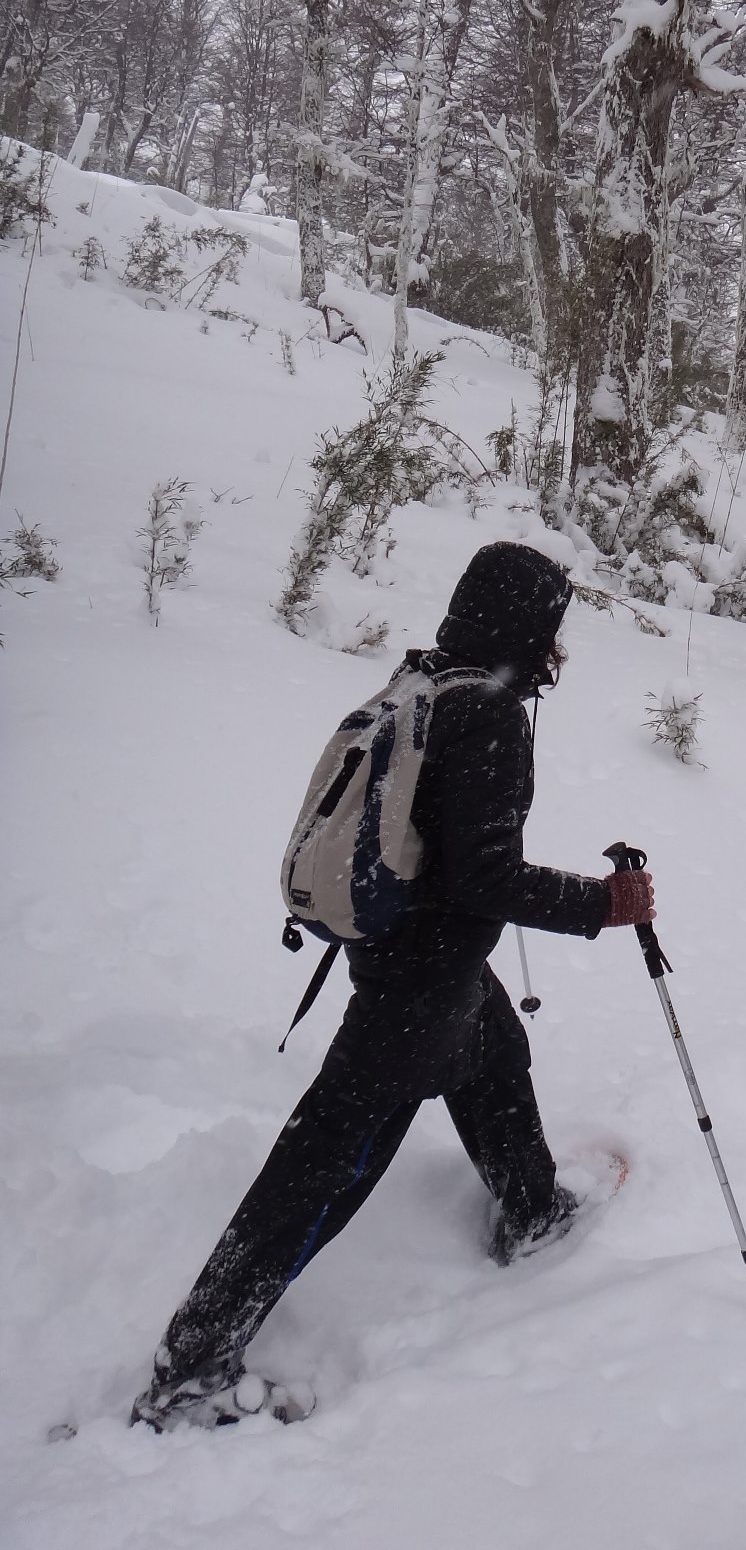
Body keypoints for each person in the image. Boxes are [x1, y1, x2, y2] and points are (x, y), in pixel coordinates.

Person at [132, 541, 654, 1432]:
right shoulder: (485, 715)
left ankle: (530, 1211)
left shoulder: (420, 686)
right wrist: (601, 904)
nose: (558, 647)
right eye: (553, 628)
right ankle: (194, 1366)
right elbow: (482, 880)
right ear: (529, 628)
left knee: (495, 1052)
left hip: (409, 957)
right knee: (328, 1159)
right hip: (420, 976)